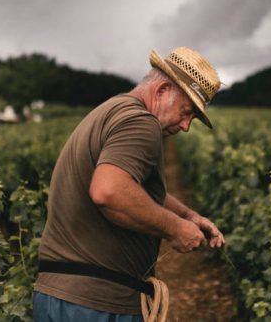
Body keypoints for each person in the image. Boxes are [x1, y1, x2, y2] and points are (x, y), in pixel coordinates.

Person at [33, 47, 226, 321]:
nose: (186, 126)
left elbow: (132, 187)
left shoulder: (113, 110)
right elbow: (109, 191)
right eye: (186, 112)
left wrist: (188, 216)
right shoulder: (142, 123)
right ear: (161, 91)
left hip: (60, 298)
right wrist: (174, 229)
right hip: (96, 305)